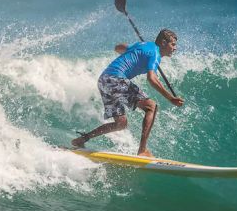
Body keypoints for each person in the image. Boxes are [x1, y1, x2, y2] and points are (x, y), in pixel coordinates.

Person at [71, 29, 184, 157]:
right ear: (163, 43)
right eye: (173, 44)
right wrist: (170, 98)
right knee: (151, 106)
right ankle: (142, 150)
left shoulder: (143, 45)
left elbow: (119, 48)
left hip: (104, 80)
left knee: (121, 123)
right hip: (116, 79)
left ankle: (82, 139)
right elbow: (151, 79)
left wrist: (136, 52)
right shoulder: (155, 53)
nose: (175, 48)